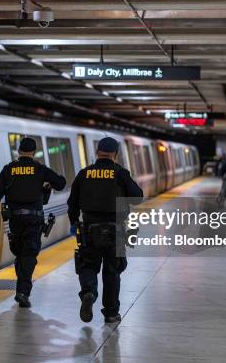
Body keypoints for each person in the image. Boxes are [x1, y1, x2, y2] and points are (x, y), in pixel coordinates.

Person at [67, 137, 143, 324]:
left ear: (97, 152)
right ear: (115, 155)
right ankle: (110, 313)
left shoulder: (84, 174)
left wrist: (74, 222)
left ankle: (89, 293)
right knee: (112, 272)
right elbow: (137, 198)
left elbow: (72, 202)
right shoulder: (120, 173)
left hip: (89, 229)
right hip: (115, 230)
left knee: (87, 265)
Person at [0, 137, 66, 307]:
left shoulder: (9, 169)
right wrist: (49, 183)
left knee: (20, 254)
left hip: (15, 220)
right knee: (28, 255)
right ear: (34, 152)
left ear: (19, 151)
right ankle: (22, 292)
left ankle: (21, 289)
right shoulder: (40, 169)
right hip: (34, 220)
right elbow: (61, 184)